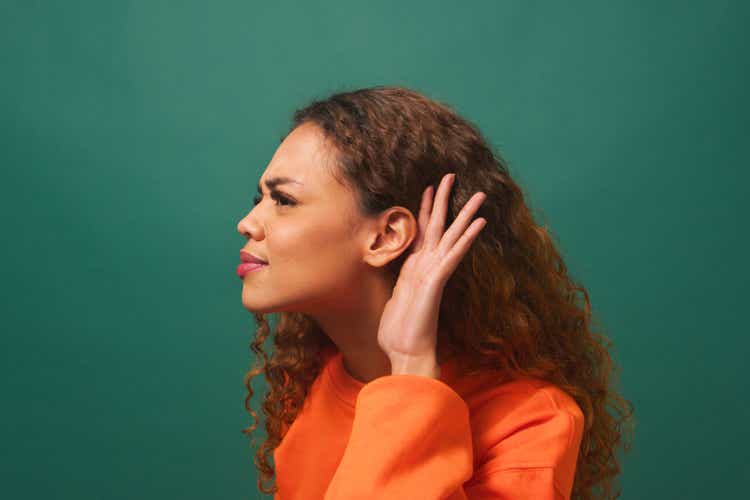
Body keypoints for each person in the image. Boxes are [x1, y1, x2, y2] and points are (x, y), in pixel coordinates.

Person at [236, 86, 634, 499]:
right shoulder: (311, 387)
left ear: (387, 236)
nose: (248, 223)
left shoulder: (530, 424)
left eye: (283, 200)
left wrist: (410, 369)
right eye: (259, 198)